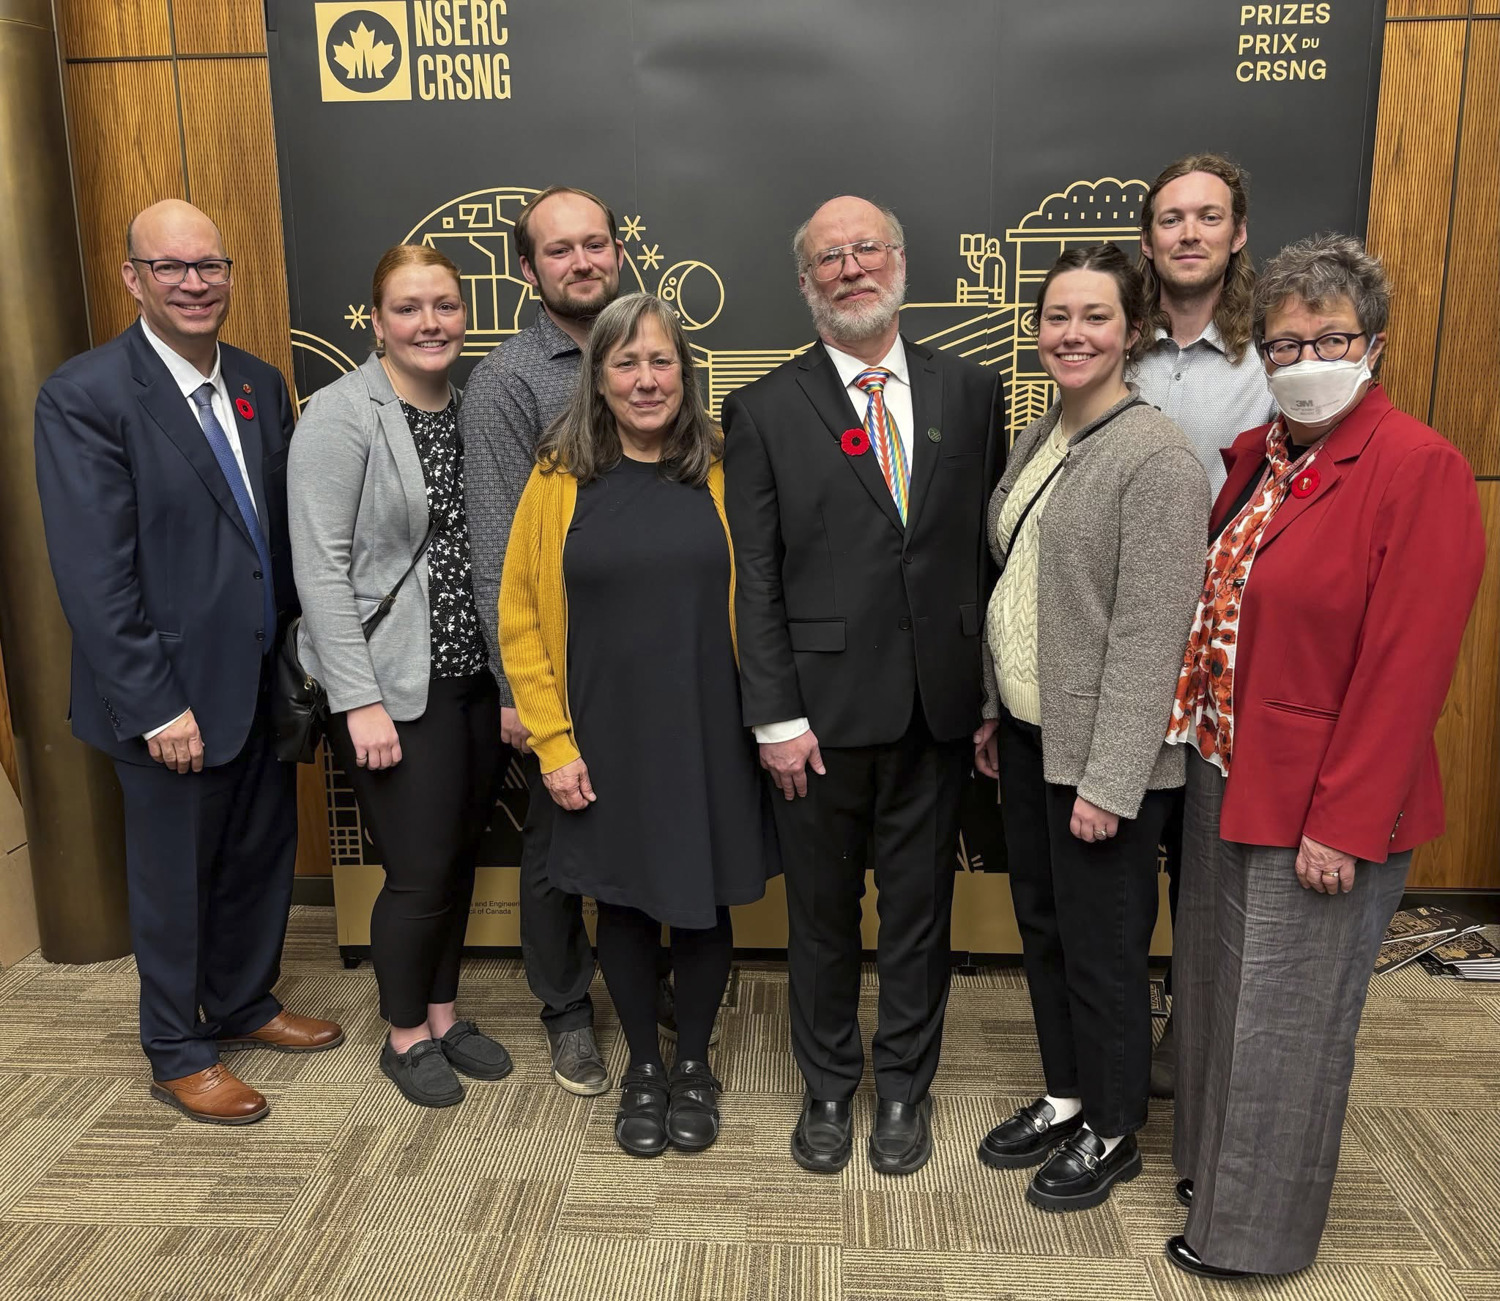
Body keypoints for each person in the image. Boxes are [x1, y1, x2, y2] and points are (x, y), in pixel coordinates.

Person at [1164, 235, 1484, 1279]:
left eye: (1329, 337)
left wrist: (1342, 822)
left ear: (1373, 344)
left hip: (1321, 803)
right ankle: (1214, 1170)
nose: (1305, 356)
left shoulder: (1416, 468)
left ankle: (1251, 1235)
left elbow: (1407, 670)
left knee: (1286, 1024)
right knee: (1219, 995)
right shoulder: (1265, 455)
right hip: (1227, 768)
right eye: (1284, 341)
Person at [33, 200, 342, 1124]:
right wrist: (153, 701)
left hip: (257, 679)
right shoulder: (86, 395)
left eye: (209, 265)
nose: (194, 283)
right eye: (171, 268)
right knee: (172, 880)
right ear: (134, 278)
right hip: (167, 696)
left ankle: (244, 1001)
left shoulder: (256, 382)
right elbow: (93, 572)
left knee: (258, 855)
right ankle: (176, 1047)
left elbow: (272, 540)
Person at [724, 196, 1004, 1176]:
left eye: (865, 248)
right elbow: (754, 575)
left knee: (921, 919)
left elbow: (981, 555)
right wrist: (775, 715)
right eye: (827, 258)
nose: (850, 267)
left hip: (937, 711)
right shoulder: (760, 410)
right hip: (817, 723)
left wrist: (990, 699)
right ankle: (830, 1087)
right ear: (805, 285)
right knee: (823, 919)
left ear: (899, 260)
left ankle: (905, 1091)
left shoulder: (973, 392)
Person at [500, 293, 777, 1157]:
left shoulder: (725, 468)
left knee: (698, 908)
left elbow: (766, 600)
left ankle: (693, 1061)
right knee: (619, 903)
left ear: (685, 374)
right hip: (601, 736)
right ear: (600, 376)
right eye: (626, 363)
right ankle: (643, 1072)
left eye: (662, 361)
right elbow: (519, 617)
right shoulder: (557, 475)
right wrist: (552, 739)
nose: (646, 378)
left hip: (707, 731)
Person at [972, 244, 1208, 1211]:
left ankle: (1113, 1127)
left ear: (1135, 330)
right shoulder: (1042, 435)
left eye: (1095, 317)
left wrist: (1111, 783)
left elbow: (1154, 641)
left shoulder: (1154, 458)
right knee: (1045, 932)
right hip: (1032, 737)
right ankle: (1068, 1093)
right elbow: (1018, 586)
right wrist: (995, 711)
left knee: (1106, 949)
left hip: (1103, 762)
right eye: (1057, 316)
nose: (1072, 334)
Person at [290, 244, 512, 1109]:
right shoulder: (344, 415)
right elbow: (321, 570)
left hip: (470, 681)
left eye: (445, 305)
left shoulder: (471, 407)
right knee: (416, 871)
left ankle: (446, 1012)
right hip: (389, 688)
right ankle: (403, 1032)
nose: (431, 323)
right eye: (410, 308)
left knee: (456, 860)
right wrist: (358, 703)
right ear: (376, 321)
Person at [462, 186, 625, 1096]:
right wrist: (519, 691)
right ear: (529, 271)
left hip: (644, 653)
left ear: (619, 253)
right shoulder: (508, 382)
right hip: (555, 664)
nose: (581, 262)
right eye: (559, 250)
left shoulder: (654, 351)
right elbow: (497, 553)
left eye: (594, 244)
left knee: (642, 821)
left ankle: (652, 981)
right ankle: (566, 1010)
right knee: (558, 845)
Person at [1131, 153, 1277, 1097]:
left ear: (1237, 236)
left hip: (1227, 650)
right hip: (1128, 641)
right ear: (1149, 240)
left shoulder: (1276, 358)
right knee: (1124, 844)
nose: (1189, 233)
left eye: (1207, 217)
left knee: (1208, 859)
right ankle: (1121, 1033)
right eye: (1172, 219)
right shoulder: (1116, 344)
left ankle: (1194, 1044)